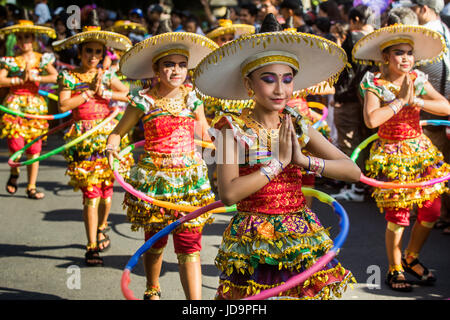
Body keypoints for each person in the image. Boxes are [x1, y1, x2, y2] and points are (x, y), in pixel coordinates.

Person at [193, 13, 360, 300]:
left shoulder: (296, 122)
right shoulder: (230, 127)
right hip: (254, 236)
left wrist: (304, 161)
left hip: (301, 232)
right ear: (249, 86)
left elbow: (353, 171)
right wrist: (277, 164)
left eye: (287, 80)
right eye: (269, 80)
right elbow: (229, 193)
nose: (280, 90)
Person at [107, 28, 219, 300]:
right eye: (169, 65)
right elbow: (118, 132)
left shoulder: (193, 97)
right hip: (155, 181)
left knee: (190, 244)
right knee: (155, 240)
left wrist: (222, 139)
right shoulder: (143, 99)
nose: (176, 70)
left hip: (190, 181)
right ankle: (152, 288)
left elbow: (203, 132)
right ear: (156, 69)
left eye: (182, 65)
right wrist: (112, 146)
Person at [353, 24, 450, 291]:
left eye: (409, 53)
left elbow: (445, 106)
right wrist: (399, 102)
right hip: (391, 154)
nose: (406, 58)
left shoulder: (418, 79)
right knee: (398, 215)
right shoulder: (374, 83)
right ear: (386, 57)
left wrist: (417, 101)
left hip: (420, 150)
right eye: (399, 53)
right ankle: (394, 267)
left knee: (432, 209)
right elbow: (372, 120)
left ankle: (411, 256)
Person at [53, 10, 134, 267]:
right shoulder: (69, 76)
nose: (93, 57)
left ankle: (101, 227)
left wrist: (107, 92)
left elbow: (129, 95)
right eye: (89, 51)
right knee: (91, 193)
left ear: (103, 54)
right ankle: (91, 245)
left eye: (98, 52)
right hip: (84, 140)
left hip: (108, 137)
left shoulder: (107, 76)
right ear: (80, 52)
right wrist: (87, 93)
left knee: (107, 191)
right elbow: (63, 105)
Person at [0, 19, 57, 199]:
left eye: (28, 37)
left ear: (33, 39)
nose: (24, 41)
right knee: (15, 144)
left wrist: (36, 77)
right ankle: (15, 172)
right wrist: (17, 80)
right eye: (21, 38)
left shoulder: (42, 59)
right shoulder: (12, 60)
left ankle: (31, 186)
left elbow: (55, 77)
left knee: (34, 147)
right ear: (17, 40)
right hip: (15, 104)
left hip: (35, 107)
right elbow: (1, 80)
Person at [407, 0, 450, 235]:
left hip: (432, 113)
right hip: (437, 110)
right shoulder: (444, 30)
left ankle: (432, 212)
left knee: (436, 171)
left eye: (414, 8)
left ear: (423, 9)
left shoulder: (427, 38)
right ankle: (441, 214)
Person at [331, 4, 376, 201]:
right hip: (370, 98)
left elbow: (348, 73)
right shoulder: (378, 39)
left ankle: (356, 187)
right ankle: (363, 186)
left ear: (356, 20)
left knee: (351, 144)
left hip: (351, 100)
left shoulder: (354, 38)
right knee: (364, 144)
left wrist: (340, 96)